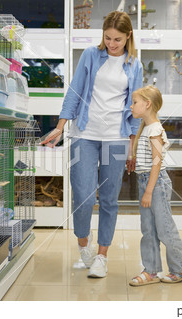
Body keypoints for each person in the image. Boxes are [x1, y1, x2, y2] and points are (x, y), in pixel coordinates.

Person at [41, 11, 143, 278]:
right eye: (107, 38)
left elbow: (135, 108)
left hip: (117, 137)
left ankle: (102, 256)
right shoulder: (90, 55)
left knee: (109, 200)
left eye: (117, 39)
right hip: (84, 134)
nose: (111, 43)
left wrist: (132, 143)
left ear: (128, 36)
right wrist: (61, 126)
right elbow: (74, 90)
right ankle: (84, 243)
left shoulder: (135, 65)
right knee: (83, 195)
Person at [128, 85, 182, 286]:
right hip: (146, 181)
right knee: (148, 229)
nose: (131, 107)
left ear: (147, 104)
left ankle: (181, 268)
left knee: (164, 229)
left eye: (135, 102)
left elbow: (157, 162)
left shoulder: (155, 129)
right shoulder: (146, 128)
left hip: (155, 184)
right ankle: (152, 271)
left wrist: (148, 191)